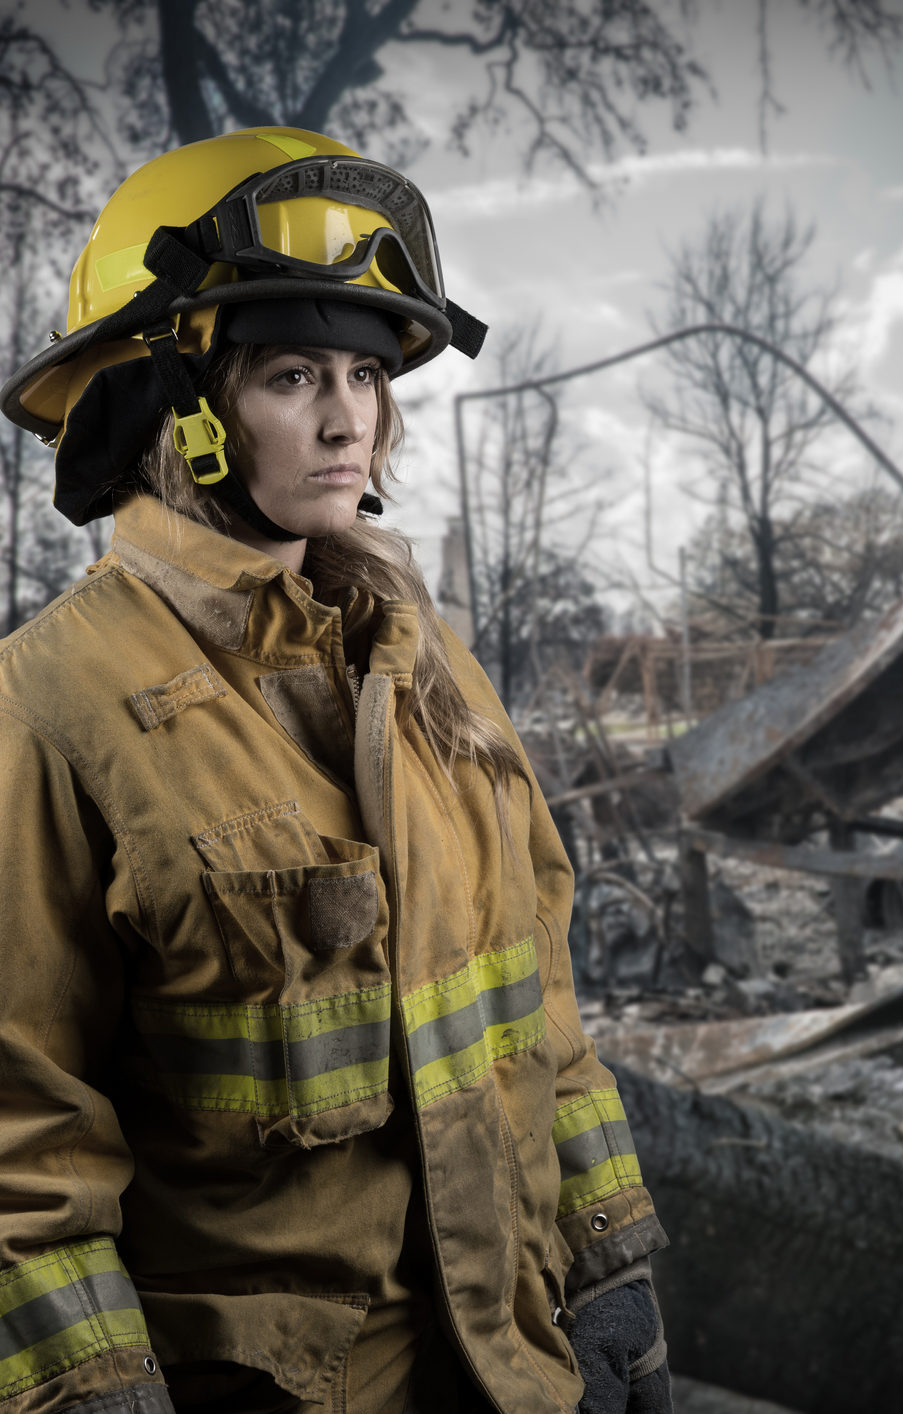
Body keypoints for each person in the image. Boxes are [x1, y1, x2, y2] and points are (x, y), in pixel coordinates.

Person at [0, 127, 671, 1414]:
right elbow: (17, 1140)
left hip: (510, 1367)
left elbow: (537, 1000)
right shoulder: (50, 706)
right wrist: (95, 1394)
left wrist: (609, 1263)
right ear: (172, 404)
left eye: (366, 372)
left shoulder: (423, 662)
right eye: (294, 371)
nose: (348, 417)